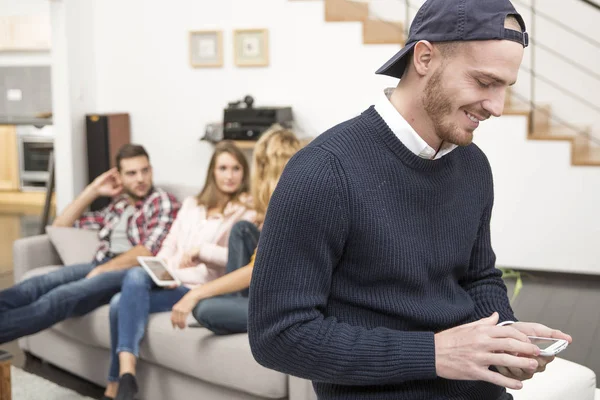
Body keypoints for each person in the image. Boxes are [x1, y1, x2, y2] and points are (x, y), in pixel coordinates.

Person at [248, 1, 572, 399]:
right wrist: (433, 353)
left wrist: (503, 334)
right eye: (484, 82)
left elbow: (477, 276)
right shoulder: (323, 172)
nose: (497, 107)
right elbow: (278, 336)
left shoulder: (472, 165)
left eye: (505, 86)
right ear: (424, 57)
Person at [104, 141, 256, 400]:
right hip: (172, 280)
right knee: (128, 290)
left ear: (244, 173)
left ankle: (118, 382)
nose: (229, 175)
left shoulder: (247, 212)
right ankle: (124, 379)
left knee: (126, 291)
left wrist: (202, 250)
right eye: (223, 168)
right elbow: (169, 245)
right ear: (212, 172)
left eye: (236, 168)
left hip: (199, 287)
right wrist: (163, 272)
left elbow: (239, 261)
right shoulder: (192, 204)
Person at [0, 144, 179, 344]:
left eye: (145, 171)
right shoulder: (119, 205)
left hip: (131, 273)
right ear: (119, 177)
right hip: (100, 263)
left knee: (58, 299)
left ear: (151, 171)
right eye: (131, 173)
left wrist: (104, 270)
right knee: (34, 286)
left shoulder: (161, 202)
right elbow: (61, 225)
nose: (140, 178)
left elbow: (146, 251)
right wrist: (93, 190)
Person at [167, 126, 301, 334]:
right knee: (242, 230)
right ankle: (233, 303)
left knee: (204, 308)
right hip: (278, 289)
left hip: (289, 303)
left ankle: (232, 309)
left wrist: (196, 294)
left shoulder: (285, 209)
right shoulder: (285, 201)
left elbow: (253, 271)